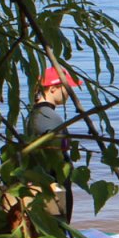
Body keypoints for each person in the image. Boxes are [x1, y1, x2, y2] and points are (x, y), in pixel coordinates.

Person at [26, 66, 82, 221]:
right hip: (54, 188)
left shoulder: (36, 114)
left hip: (48, 185)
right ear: (52, 88)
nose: (70, 93)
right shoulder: (48, 117)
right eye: (67, 88)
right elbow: (54, 157)